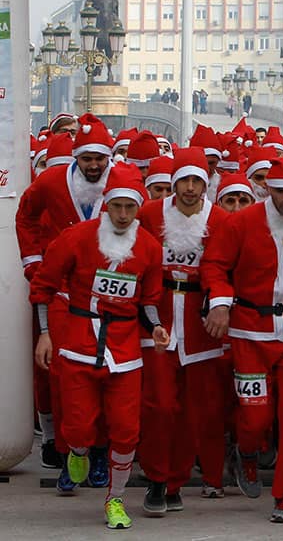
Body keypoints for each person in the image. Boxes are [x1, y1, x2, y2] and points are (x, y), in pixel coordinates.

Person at [30, 164, 167, 530]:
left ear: (139, 208)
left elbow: (149, 298)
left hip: (124, 352)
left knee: (126, 430)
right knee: (77, 428)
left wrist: (155, 327)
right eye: (117, 206)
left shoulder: (150, 248)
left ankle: (115, 499)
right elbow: (43, 285)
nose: (123, 215)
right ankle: (76, 451)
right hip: (77, 345)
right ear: (106, 204)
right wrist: (45, 333)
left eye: (131, 207)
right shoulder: (77, 237)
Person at [201, 157, 283, 523]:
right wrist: (221, 304)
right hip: (249, 336)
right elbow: (215, 265)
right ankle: (248, 451)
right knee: (255, 416)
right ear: (266, 188)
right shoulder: (242, 223)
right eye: (279, 190)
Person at [16, 114, 115, 493]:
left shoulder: (121, 184)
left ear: (109, 159)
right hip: (61, 296)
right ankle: (69, 451)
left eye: (99, 159)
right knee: (62, 377)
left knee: (109, 375)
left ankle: (102, 451)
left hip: (107, 296)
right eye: (87, 158)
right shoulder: (51, 182)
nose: (93, 165)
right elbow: (24, 215)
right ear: (75, 155)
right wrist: (32, 260)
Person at [136, 148, 230, 513]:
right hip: (157, 318)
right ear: (173, 182)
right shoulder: (149, 214)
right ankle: (156, 478)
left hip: (198, 322)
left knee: (194, 410)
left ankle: (174, 482)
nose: (190, 189)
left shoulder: (219, 219)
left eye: (197, 181)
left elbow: (223, 269)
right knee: (159, 404)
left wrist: (221, 305)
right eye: (183, 181)